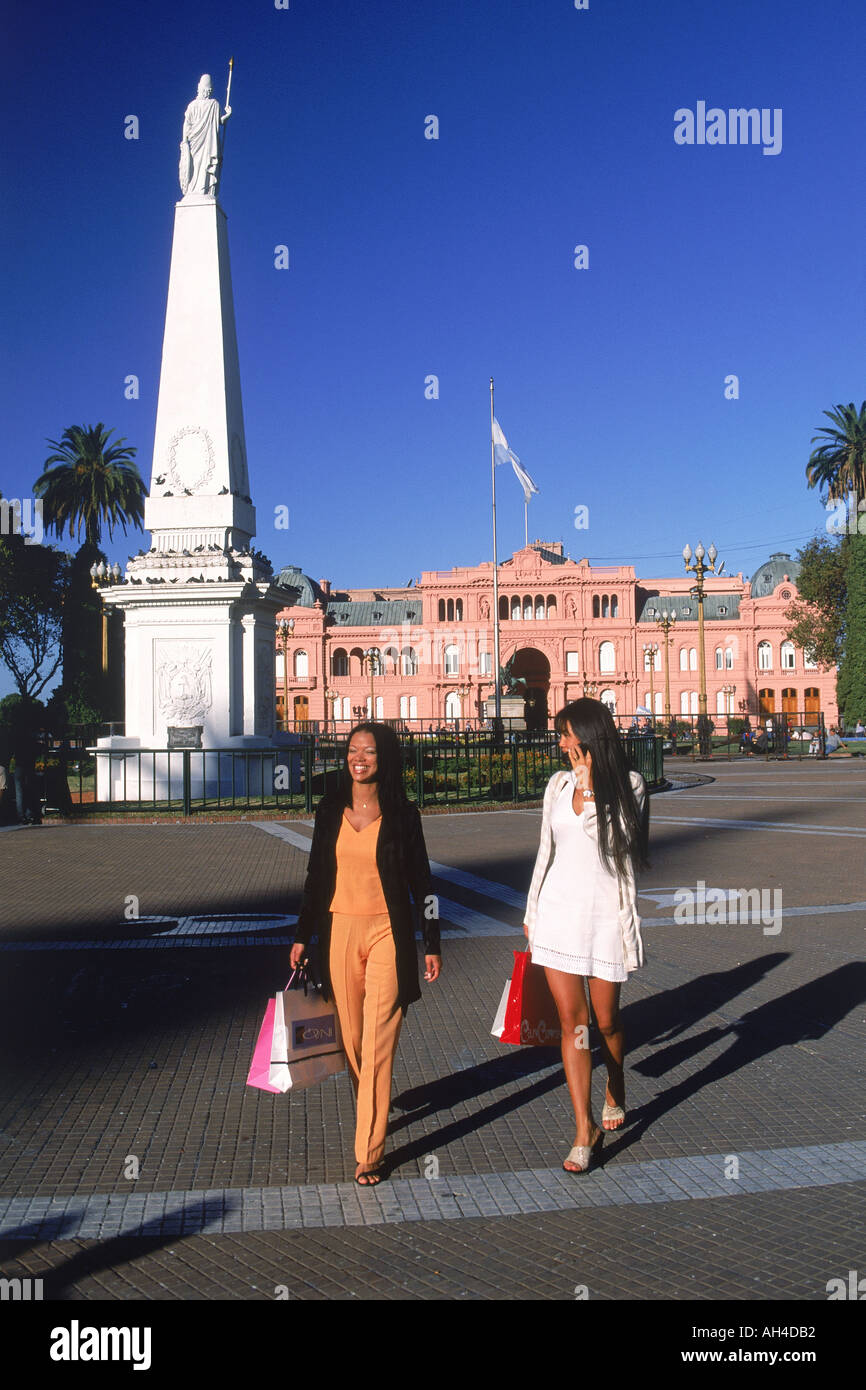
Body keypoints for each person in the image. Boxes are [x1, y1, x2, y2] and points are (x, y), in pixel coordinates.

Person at [290, 723, 441, 1185]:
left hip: (387, 935)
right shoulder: (329, 808)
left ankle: (369, 1151)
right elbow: (317, 874)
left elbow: (423, 883)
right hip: (339, 931)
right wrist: (302, 934)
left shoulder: (402, 813)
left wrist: (431, 942)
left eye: (370, 752)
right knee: (351, 1040)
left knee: (377, 1041)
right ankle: (371, 1114)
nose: (360, 758)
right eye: (353, 750)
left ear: (385, 758)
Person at [523, 698, 648, 1175]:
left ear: (590, 737)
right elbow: (545, 853)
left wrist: (592, 786)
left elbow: (618, 846)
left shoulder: (630, 786)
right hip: (558, 913)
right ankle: (583, 1128)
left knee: (607, 1019)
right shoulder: (557, 785)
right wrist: (532, 910)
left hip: (604, 917)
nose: (560, 743)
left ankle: (616, 1080)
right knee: (573, 1021)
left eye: (567, 734)